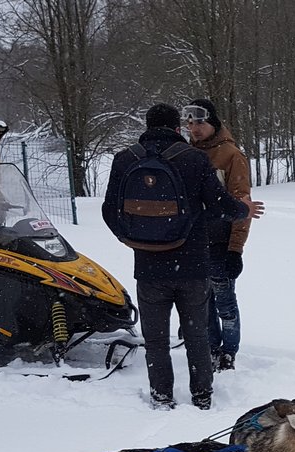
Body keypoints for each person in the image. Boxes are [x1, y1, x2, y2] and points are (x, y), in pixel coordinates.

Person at [102, 103, 263, 410]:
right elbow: (219, 204)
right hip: (192, 263)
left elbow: (110, 211)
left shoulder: (125, 159)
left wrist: (133, 240)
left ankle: (162, 396)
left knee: (157, 339)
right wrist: (243, 210)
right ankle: (202, 396)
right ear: (178, 127)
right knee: (197, 335)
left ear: (146, 126)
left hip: (148, 267)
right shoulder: (193, 159)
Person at [185, 99, 252, 372]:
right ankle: (211, 348)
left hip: (220, 243)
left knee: (225, 303)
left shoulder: (231, 156)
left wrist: (235, 248)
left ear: (213, 123)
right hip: (192, 243)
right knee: (202, 305)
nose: (194, 128)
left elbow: (243, 205)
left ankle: (229, 352)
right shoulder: (186, 154)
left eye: (200, 122)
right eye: (189, 123)